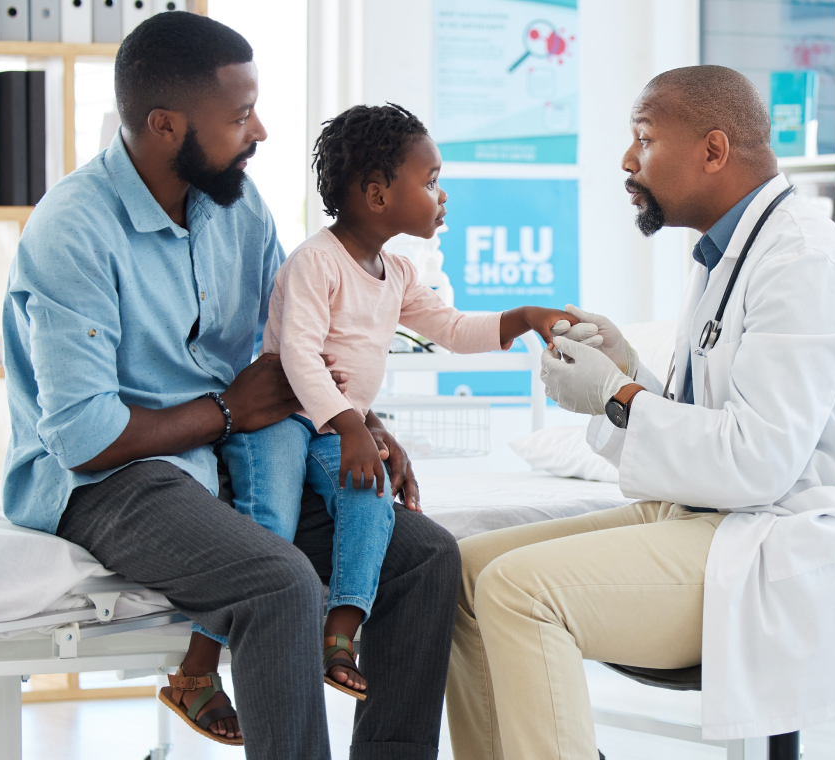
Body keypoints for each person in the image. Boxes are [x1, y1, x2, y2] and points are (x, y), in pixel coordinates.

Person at [445, 66, 835, 759]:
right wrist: (630, 370)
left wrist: (617, 396)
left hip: (799, 540)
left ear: (713, 150)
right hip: (723, 514)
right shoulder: (725, 255)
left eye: (644, 139)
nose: (628, 161)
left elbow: (759, 460)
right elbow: (711, 423)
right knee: (463, 571)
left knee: (517, 590)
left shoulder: (807, 262)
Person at [2, 13, 460, 758]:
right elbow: (83, 441)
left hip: (234, 452)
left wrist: (358, 423)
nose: (262, 132)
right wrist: (225, 411)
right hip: (111, 478)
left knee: (426, 557)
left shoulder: (237, 208)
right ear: (164, 124)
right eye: (241, 116)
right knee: (279, 582)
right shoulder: (73, 231)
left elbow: (289, 349)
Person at [213, 103, 576, 700]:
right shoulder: (314, 263)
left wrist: (526, 315)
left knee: (371, 496)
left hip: (332, 427)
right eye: (431, 181)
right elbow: (299, 358)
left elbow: (454, 328)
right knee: (269, 525)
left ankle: (341, 629)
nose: (441, 195)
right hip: (279, 421)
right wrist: (353, 426)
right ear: (377, 195)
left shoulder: (398, 273)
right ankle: (210, 650)